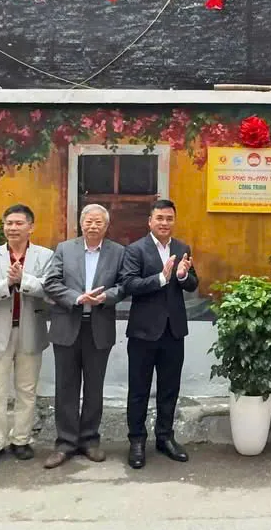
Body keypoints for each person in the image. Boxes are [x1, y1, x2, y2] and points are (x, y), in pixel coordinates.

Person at [43, 204, 125, 469]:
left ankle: (90, 440)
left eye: (98, 222)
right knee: (65, 387)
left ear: (106, 226)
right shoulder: (65, 249)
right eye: (88, 221)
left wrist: (107, 296)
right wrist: (77, 298)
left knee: (94, 387)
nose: (93, 226)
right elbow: (51, 282)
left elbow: (124, 285)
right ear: (81, 224)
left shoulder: (117, 252)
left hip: (98, 327)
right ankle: (65, 443)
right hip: (67, 324)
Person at [0, 205, 54, 467]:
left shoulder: (45, 256)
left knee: (26, 391)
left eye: (19, 223)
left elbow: (51, 290)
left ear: (31, 227)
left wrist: (24, 280)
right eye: (9, 223)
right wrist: (6, 284)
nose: (13, 228)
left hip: (30, 330)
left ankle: (21, 440)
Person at [120, 199, 197, 470]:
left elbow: (193, 284)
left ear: (174, 221)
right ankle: (137, 441)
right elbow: (129, 284)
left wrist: (184, 276)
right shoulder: (135, 250)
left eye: (169, 218)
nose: (164, 223)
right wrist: (162, 278)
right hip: (143, 332)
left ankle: (165, 437)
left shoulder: (182, 248)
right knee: (139, 390)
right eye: (160, 218)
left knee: (169, 389)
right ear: (150, 221)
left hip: (174, 331)